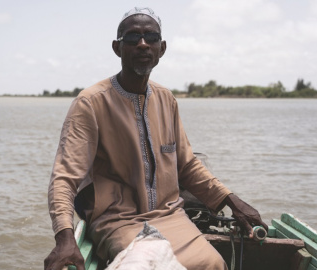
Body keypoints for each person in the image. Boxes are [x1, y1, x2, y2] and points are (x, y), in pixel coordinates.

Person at [44, 7, 268, 270]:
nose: (142, 44)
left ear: (161, 49)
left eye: (150, 38)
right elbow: (64, 177)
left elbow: (187, 166)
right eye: (132, 38)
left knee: (214, 264)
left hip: (170, 214)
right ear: (118, 48)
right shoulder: (90, 103)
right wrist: (64, 236)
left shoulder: (166, 99)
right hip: (118, 220)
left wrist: (232, 200)